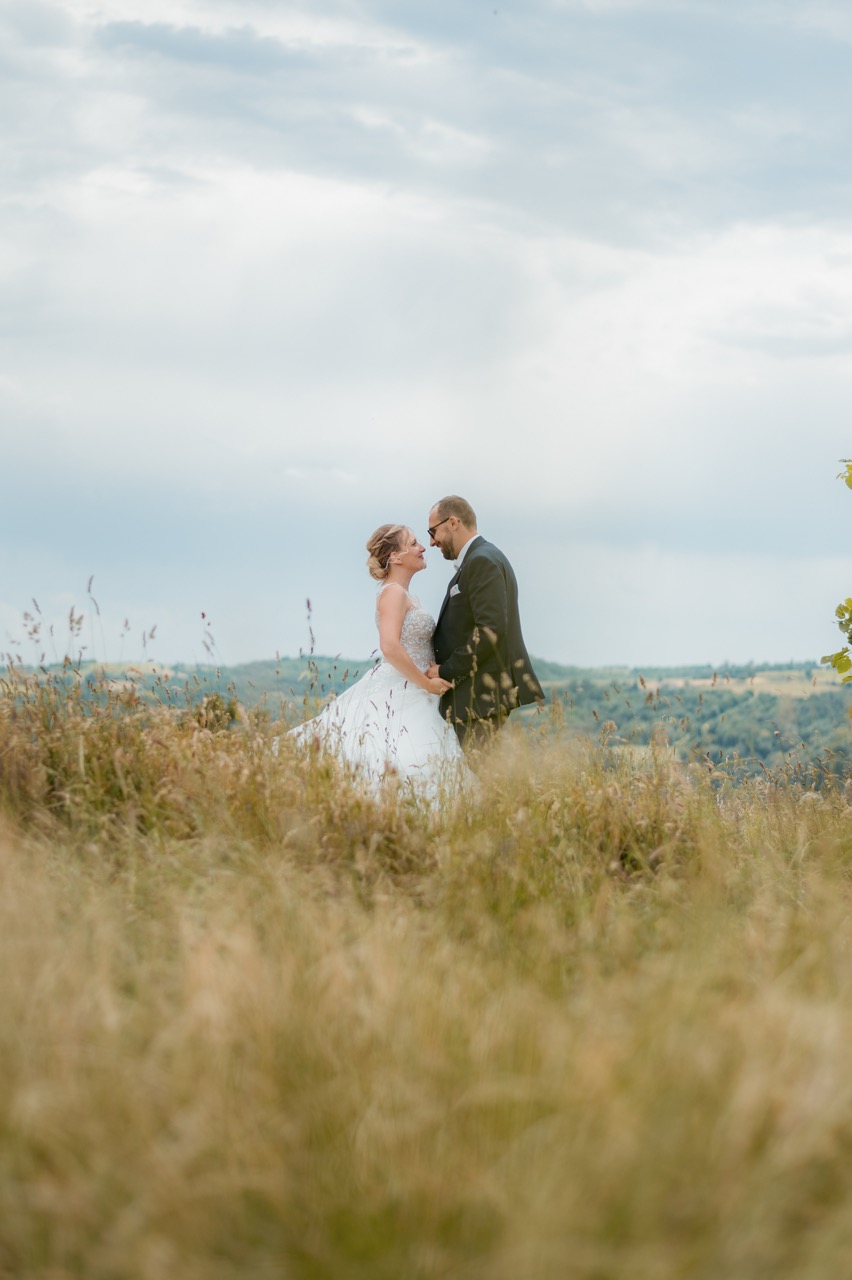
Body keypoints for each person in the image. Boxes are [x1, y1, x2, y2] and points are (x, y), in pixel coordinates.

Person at [287, 524, 471, 800]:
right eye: (413, 543)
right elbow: (389, 646)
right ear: (395, 557)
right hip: (405, 688)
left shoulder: (408, 596)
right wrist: (426, 683)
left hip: (418, 689)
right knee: (406, 757)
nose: (423, 547)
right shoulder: (392, 593)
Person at [426, 495, 544, 747]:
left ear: (454, 522)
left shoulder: (481, 561)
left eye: (433, 531)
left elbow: (489, 630)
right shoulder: (482, 557)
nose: (431, 542)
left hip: (480, 693)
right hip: (477, 692)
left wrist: (446, 671)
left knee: (484, 774)